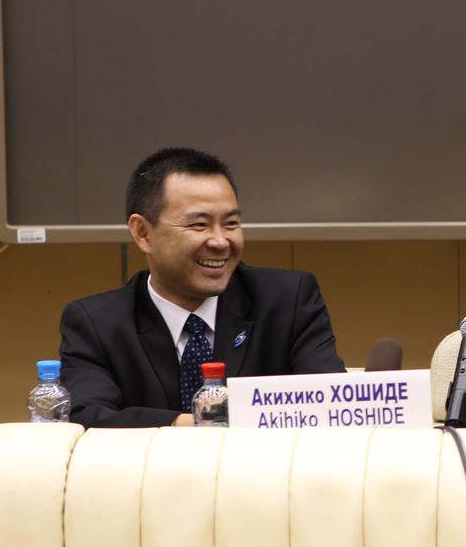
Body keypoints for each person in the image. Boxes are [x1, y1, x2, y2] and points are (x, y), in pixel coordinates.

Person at [59, 148, 344, 428]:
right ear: (143, 233)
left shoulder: (287, 301)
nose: (220, 241)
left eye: (231, 223)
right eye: (199, 225)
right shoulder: (96, 323)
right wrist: (199, 425)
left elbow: (331, 406)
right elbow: (85, 418)